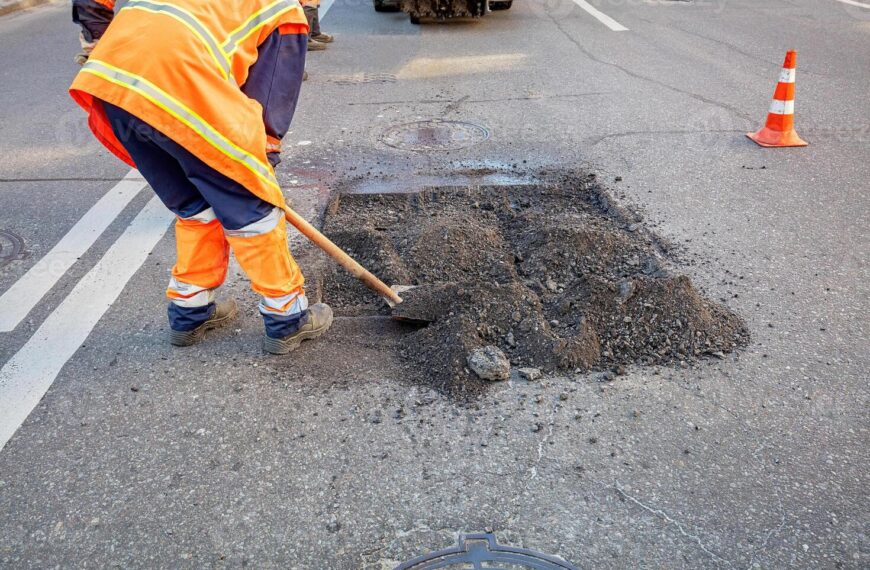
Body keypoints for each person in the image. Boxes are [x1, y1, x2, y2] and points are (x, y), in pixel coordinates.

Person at [69, 0, 333, 355]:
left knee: (195, 206)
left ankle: (190, 310)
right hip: (177, 81)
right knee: (254, 211)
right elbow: (270, 99)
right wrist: (259, 165)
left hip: (114, 83)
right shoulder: (285, 10)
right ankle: (288, 319)